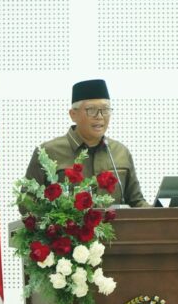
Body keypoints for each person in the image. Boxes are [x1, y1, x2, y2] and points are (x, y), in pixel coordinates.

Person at [24, 79, 150, 208]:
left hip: (116, 228)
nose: (100, 116)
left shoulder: (120, 152)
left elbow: (136, 201)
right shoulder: (48, 152)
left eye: (105, 110)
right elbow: (26, 201)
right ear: (73, 114)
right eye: (91, 110)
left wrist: (163, 215)